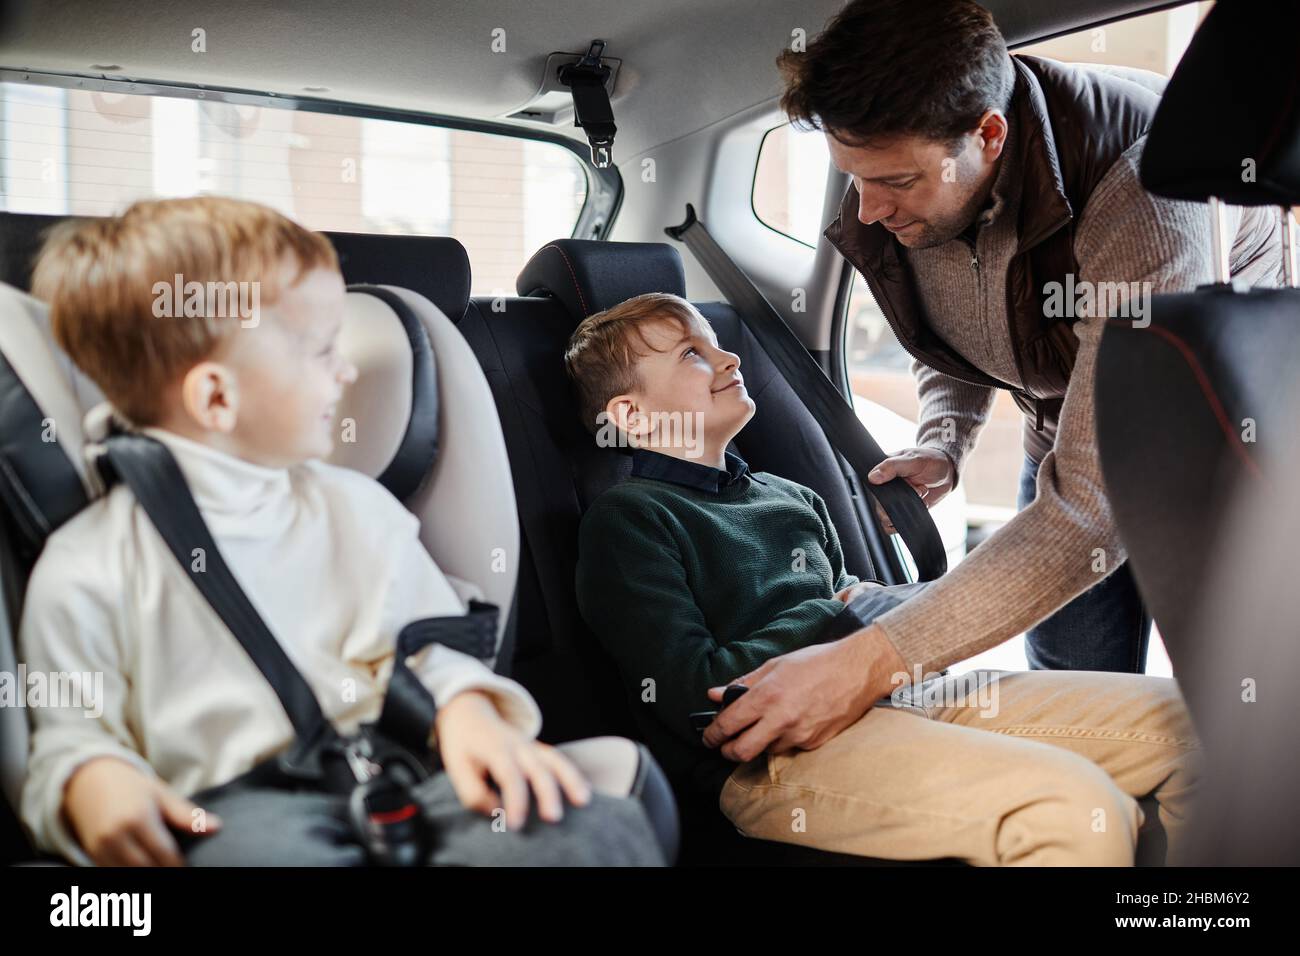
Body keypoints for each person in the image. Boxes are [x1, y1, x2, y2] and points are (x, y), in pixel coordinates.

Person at [18, 196, 666, 866]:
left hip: (399, 779)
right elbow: (71, 734)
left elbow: (432, 646)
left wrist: (466, 712)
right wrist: (93, 780)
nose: (348, 371)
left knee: (588, 827)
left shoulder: (355, 509)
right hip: (232, 816)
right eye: (323, 350)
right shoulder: (87, 565)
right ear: (217, 397)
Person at [570, 293, 1200, 865]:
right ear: (631, 414)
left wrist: (871, 614)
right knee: (1072, 809)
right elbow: (693, 693)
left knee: (1196, 727)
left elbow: (855, 608)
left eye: (715, 340)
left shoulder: (789, 497)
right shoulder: (630, 521)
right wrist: (839, 615)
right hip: (772, 760)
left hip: (898, 694)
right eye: (692, 353)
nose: (728, 355)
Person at [776, 0, 1282, 673]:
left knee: (1229, 702)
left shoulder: (1141, 188)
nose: (867, 210)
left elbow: (1092, 503)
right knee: (1070, 683)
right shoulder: (906, 192)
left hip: (1215, 451)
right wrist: (943, 441)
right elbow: (954, 319)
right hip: (1063, 440)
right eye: (855, 178)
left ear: (989, 134)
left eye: (895, 181)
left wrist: (868, 662)